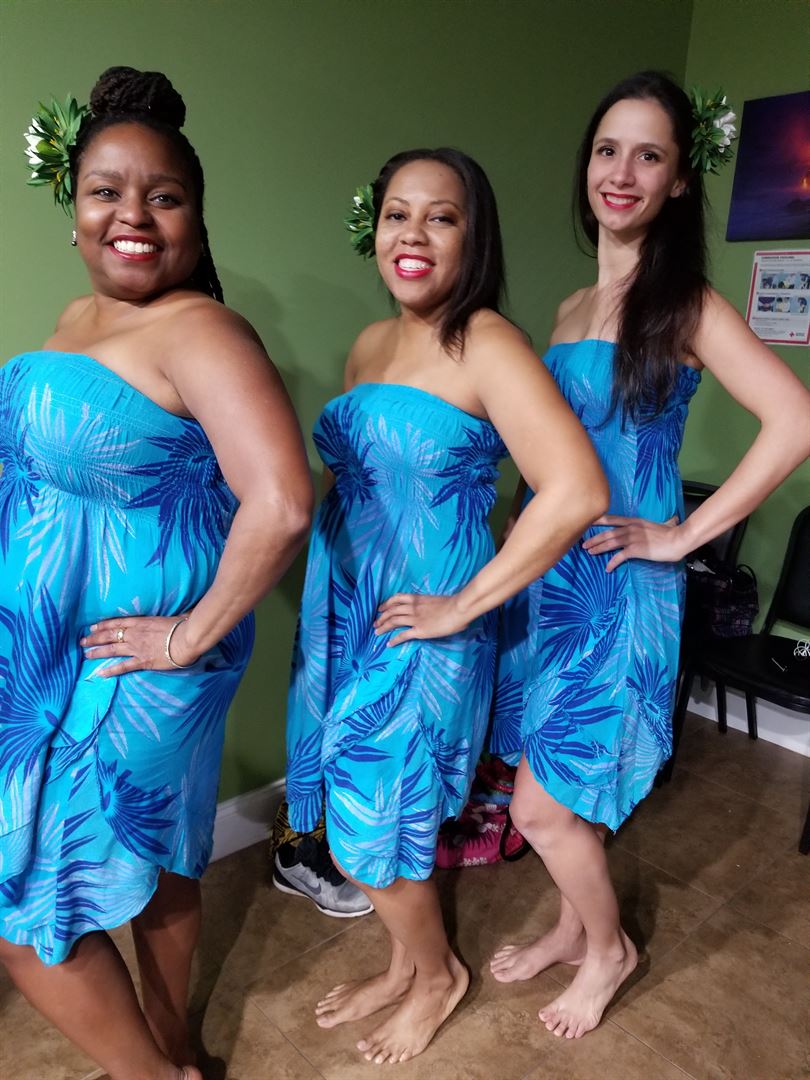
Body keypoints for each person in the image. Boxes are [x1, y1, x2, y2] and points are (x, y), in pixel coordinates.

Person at [0, 67, 313, 1080]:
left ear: (196, 221)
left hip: (131, 668)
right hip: (58, 651)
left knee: (29, 920)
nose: (132, 214)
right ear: (74, 213)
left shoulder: (199, 330)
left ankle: (154, 1074)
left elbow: (283, 503)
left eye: (164, 196)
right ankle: (173, 1045)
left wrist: (185, 636)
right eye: (107, 191)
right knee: (160, 858)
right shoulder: (77, 319)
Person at [488, 70, 810, 1040]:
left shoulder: (686, 305)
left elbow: (795, 419)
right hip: (553, 579)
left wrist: (683, 536)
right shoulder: (568, 307)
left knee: (542, 809)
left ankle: (610, 950)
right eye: (607, 150)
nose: (621, 173)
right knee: (558, 784)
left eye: (649, 155)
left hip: (623, 586)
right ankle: (568, 929)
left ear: (676, 181)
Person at [286, 147, 608, 1065]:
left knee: (365, 818)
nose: (414, 234)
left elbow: (576, 489)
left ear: (474, 237)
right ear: (375, 228)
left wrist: (464, 605)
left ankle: (438, 977)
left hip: (430, 616)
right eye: (398, 213)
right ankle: (403, 964)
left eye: (442, 216)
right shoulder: (369, 344)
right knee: (384, 813)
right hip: (355, 603)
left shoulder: (488, 343)